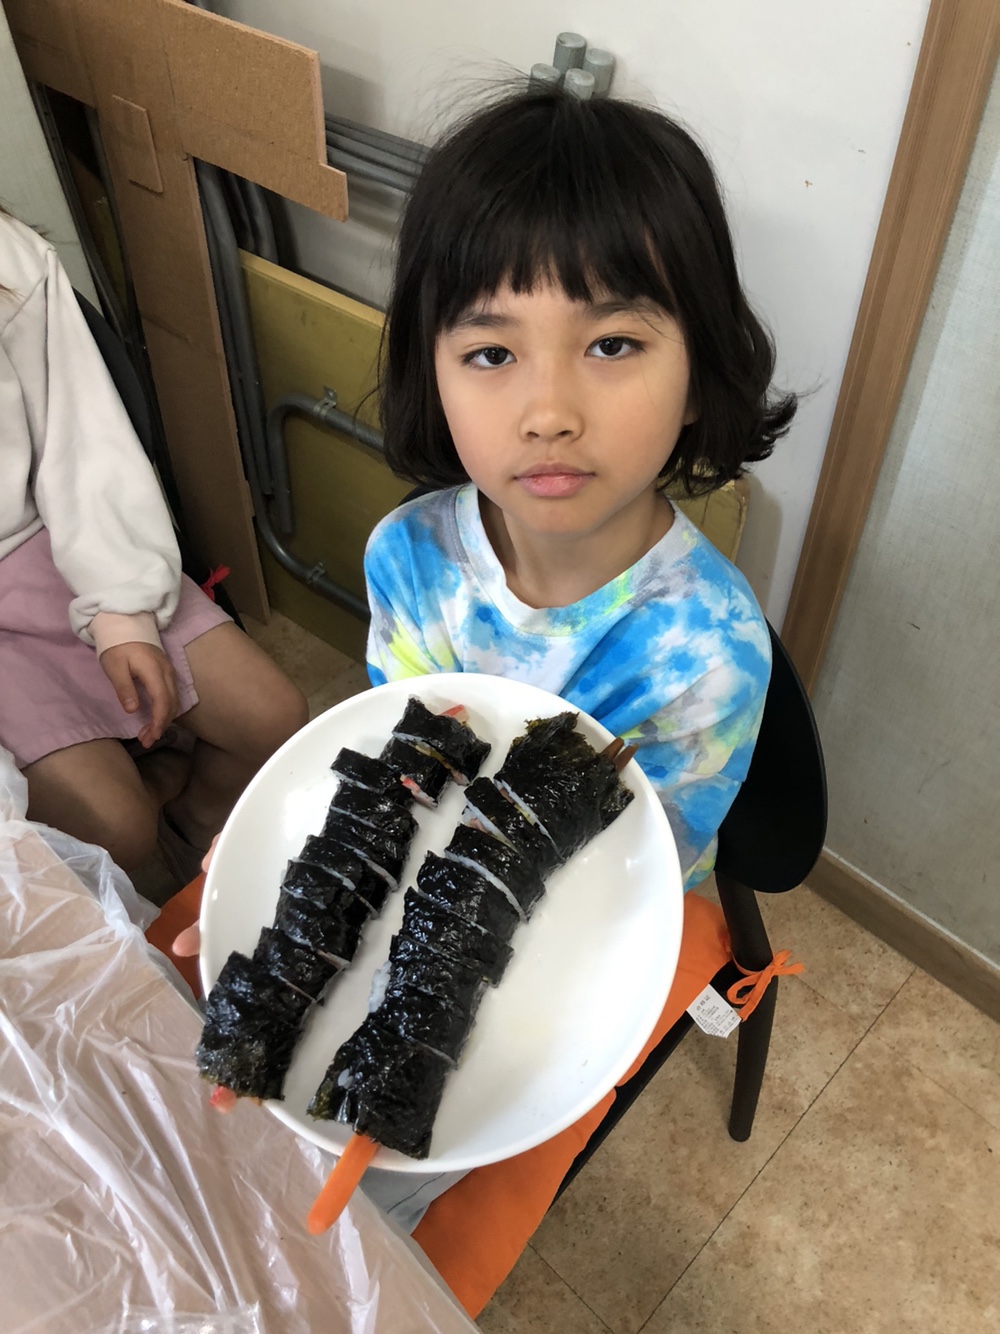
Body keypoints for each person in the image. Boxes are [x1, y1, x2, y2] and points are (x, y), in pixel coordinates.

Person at [176, 82, 795, 1235]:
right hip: (419, 897)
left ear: (699, 367)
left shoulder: (706, 655)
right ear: (432, 366)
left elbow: (636, 882)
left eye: (612, 343)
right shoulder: (410, 556)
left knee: (382, 1211)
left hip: (568, 942)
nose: (548, 410)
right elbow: (399, 754)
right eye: (492, 350)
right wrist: (291, 891)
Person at [0, 207, 308, 881]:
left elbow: (81, 436)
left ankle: (194, 820)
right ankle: (154, 795)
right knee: (116, 831)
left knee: (271, 717)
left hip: (53, 534)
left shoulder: (9, 256)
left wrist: (121, 610)